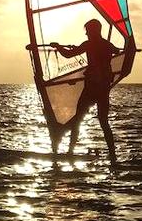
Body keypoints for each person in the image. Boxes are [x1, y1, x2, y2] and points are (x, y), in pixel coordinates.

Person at [51, 19, 120, 165]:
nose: (86, 33)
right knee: (103, 122)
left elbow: (69, 55)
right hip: (103, 89)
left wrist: (58, 47)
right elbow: (116, 50)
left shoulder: (89, 44)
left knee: (78, 120)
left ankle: (70, 151)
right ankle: (113, 155)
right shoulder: (106, 45)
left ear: (94, 31)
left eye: (88, 31)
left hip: (91, 89)